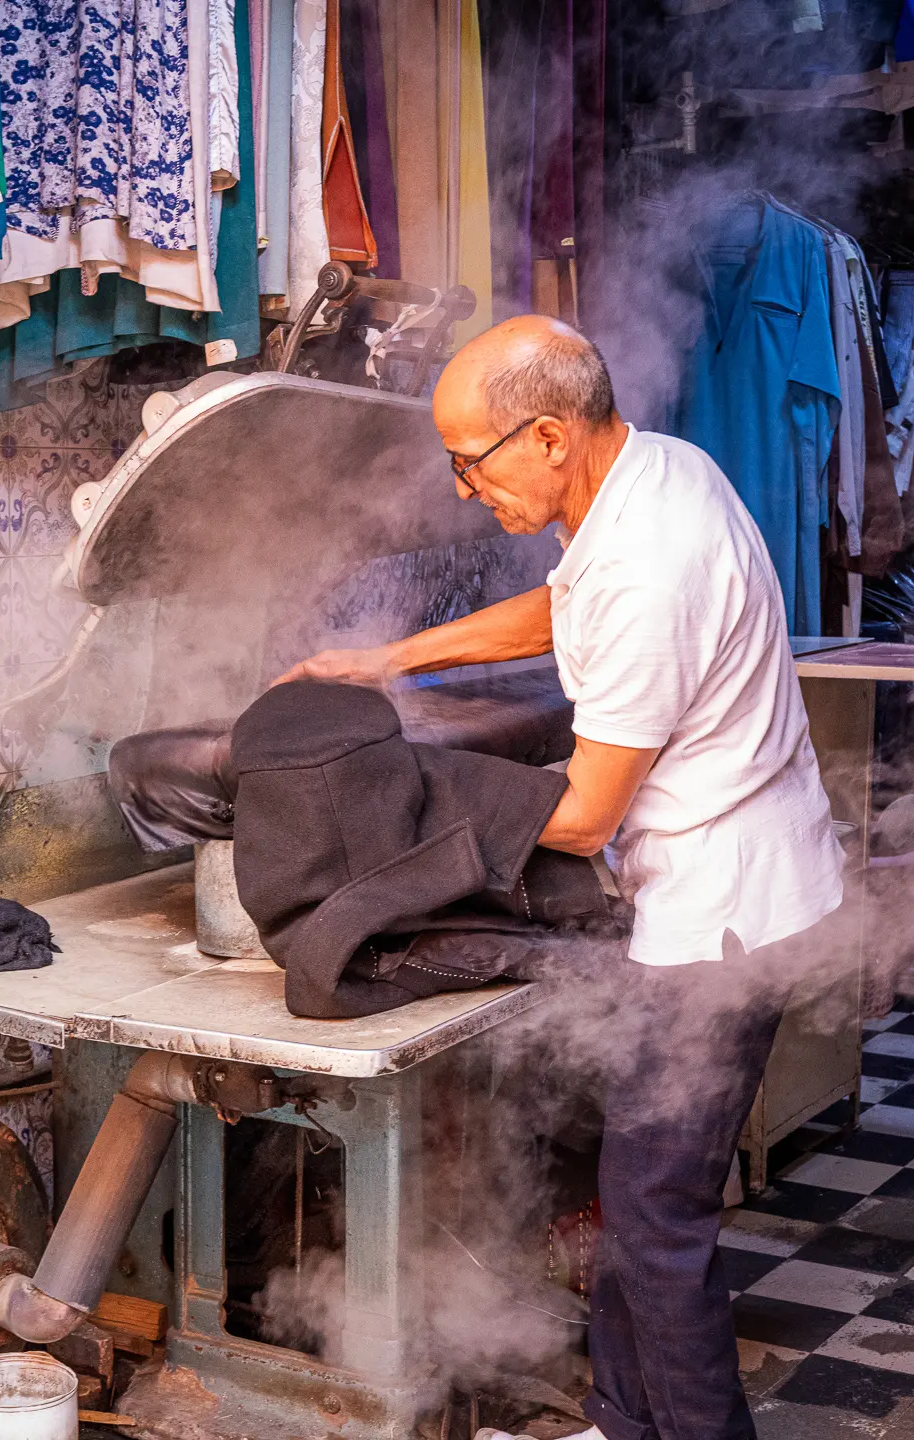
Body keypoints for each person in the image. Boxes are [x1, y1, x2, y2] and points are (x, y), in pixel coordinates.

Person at [275, 315, 845, 1440]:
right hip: (737, 880)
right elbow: (561, 604)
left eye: (469, 460)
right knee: (639, 1206)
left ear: (546, 435)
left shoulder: (650, 564)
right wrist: (392, 657)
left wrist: (421, 811)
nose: (460, 485)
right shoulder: (652, 472)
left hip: (722, 919)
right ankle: (623, 1420)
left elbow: (582, 818)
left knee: (655, 1217)